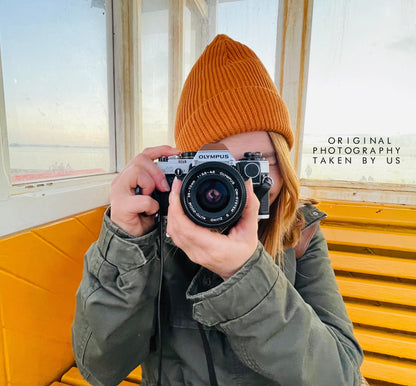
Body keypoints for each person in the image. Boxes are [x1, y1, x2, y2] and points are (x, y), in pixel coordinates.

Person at [72, 34, 363, 386]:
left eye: (256, 166)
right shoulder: (154, 236)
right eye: (220, 167)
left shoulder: (298, 235)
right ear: (185, 168)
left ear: (283, 166)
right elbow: (99, 369)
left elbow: (342, 376)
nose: (239, 189)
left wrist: (247, 274)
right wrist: (125, 242)